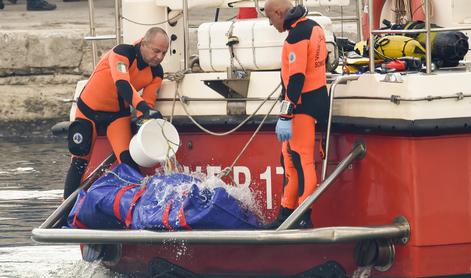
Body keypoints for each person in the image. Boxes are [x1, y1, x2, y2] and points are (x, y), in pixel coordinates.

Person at [63, 27, 169, 199]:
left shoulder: (157, 72)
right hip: (88, 111)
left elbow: (147, 105)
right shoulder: (122, 53)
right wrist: (144, 109)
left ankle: (138, 203)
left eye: (164, 53)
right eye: (156, 51)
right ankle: (65, 209)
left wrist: (149, 120)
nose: (159, 57)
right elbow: (123, 85)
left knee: (128, 160)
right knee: (79, 162)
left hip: (117, 116)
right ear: (143, 44)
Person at [264, 0, 329, 229]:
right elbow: (324, 61)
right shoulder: (315, 27)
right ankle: (286, 214)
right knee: (289, 160)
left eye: (270, 19)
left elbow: (297, 78)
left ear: (279, 13)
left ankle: (303, 216)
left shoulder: (296, 36)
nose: (271, 25)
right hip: (316, 101)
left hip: (302, 106)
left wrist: (285, 114)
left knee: (301, 162)